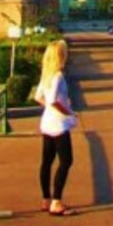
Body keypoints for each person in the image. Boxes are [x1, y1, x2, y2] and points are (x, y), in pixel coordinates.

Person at [34, 39, 77, 216]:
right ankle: (56, 202)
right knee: (66, 161)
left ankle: (46, 199)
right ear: (61, 56)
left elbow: (38, 97)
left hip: (47, 122)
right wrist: (67, 112)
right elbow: (52, 100)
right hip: (58, 124)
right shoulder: (58, 76)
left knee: (47, 161)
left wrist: (52, 109)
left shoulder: (46, 74)